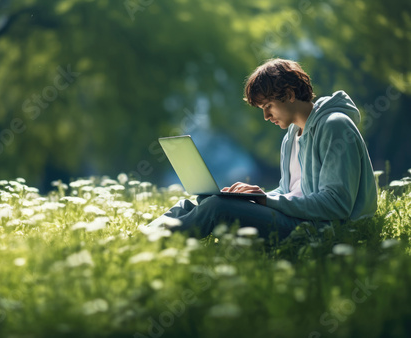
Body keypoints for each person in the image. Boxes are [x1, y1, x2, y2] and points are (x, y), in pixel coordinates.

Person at [147, 58, 378, 240]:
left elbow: (336, 204)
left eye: (268, 106)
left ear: (288, 95)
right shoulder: (291, 136)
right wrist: (255, 197)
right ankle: (136, 239)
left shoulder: (334, 126)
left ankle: (150, 249)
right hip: (298, 218)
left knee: (217, 208)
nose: (266, 116)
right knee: (198, 202)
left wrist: (267, 201)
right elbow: (293, 192)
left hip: (321, 229)